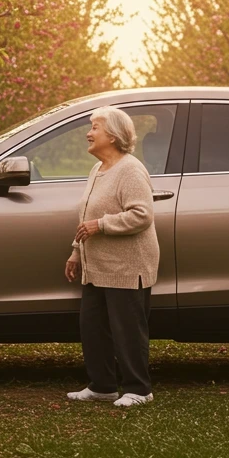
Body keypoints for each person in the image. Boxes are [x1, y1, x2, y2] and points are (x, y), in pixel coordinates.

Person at [64, 107, 159, 408]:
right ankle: (102, 385)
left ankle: (139, 390)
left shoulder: (130, 170)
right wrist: (76, 251)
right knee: (92, 327)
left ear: (114, 135)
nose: (88, 133)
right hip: (97, 266)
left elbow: (141, 215)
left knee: (127, 329)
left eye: (95, 127)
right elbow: (86, 215)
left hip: (128, 266)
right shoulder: (98, 170)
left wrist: (101, 225)